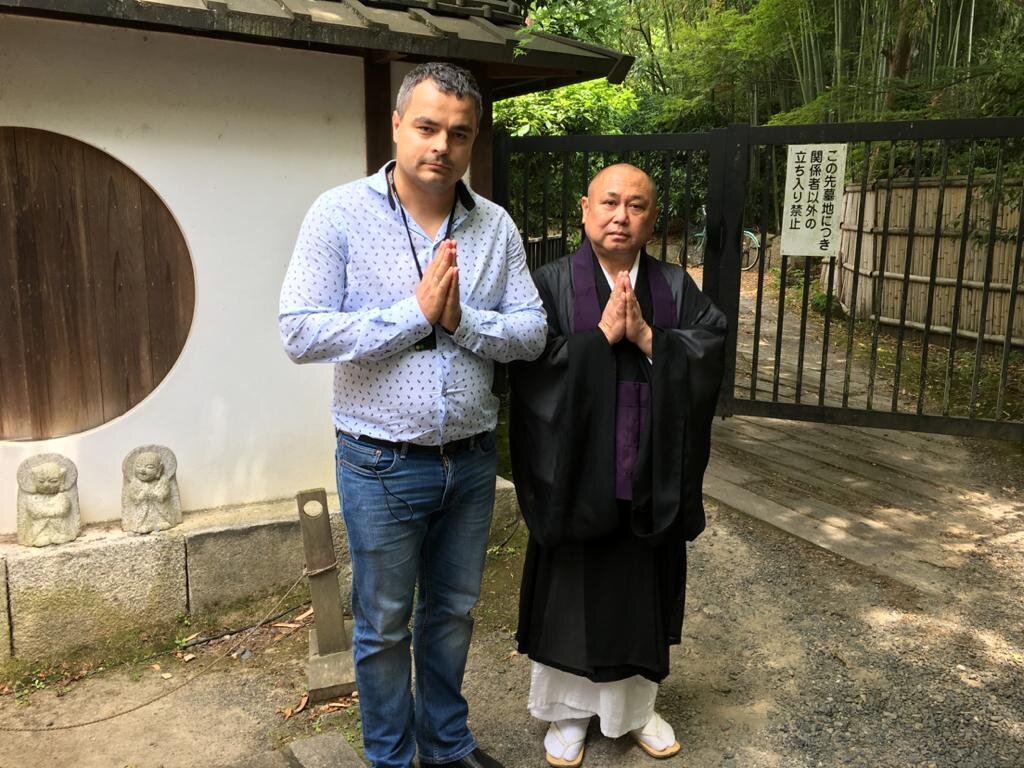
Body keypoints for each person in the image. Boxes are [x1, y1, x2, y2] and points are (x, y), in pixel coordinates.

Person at [279, 62, 547, 768]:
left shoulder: (494, 226)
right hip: (380, 460)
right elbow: (300, 331)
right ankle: (391, 758)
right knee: (384, 624)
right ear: (397, 125)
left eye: (459, 133)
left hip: (472, 456)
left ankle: (447, 746)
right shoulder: (339, 212)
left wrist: (461, 321)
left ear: (473, 139)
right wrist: (414, 315)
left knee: (453, 613)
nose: (442, 146)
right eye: (427, 127)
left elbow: (531, 332)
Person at [509, 164, 727, 766]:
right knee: (571, 594)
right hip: (575, 476)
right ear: (585, 209)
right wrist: (600, 340)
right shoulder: (549, 283)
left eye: (636, 206)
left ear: (652, 219)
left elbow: (710, 347)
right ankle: (567, 714)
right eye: (609, 203)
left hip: (648, 473)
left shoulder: (675, 286)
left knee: (640, 591)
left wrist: (652, 338)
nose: (621, 217)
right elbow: (528, 364)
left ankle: (635, 712)